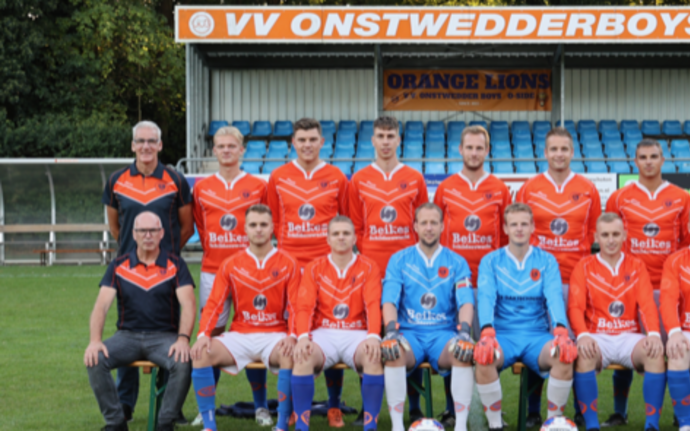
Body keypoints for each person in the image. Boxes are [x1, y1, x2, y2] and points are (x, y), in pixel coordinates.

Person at [102, 120, 194, 422]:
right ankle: (125, 404)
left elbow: (186, 226)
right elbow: (116, 227)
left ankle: (171, 406)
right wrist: (134, 253)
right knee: (127, 331)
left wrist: (166, 257)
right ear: (132, 145)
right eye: (140, 141)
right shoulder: (116, 180)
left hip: (167, 274)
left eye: (151, 141)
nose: (145, 146)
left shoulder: (176, 179)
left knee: (171, 335)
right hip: (128, 273)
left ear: (160, 145)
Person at [266, 117, 350, 426]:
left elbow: (346, 221)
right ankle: (290, 410)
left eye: (313, 139)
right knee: (294, 335)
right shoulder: (278, 176)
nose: (307, 145)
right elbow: (274, 221)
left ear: (322, 142)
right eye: (301, 140)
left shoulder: (337, 177)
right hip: (291, 270)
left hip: (327, 270)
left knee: (328, 332)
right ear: (293, 143)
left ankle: (333, 405)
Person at [516, 127, 601, 427]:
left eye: (564, 149)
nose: (559, 154)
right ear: (545, 152)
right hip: (537, 282)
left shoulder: (588, 189)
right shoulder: (529, 188)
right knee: (539, 341)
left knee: (574, 344)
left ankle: (579, 409)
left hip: (577, 281)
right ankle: (533, 410)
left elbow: (594, 236)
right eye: (554, 149)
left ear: (572, 152)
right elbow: (520, 233)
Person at [348, 115, 429, 424]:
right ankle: (368, 408)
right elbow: (355, 226)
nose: (385, 141)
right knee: (372, 336)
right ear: (372, 140)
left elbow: (422, 224)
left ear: (398, 139)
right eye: (380, 136)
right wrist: (367, 261)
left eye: (390, 136)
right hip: (371, 273)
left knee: (408, 334)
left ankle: (415, 406)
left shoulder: (414, 177)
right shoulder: (359, 179)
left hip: (409, 273)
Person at [190, 204, 299, 431]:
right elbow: (214, 303)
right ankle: (209, 425)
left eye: (263, 224)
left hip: (275, 335)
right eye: (253, 225)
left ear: (272, 227)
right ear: (245, 229)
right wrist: (203, 335)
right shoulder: (230, 263)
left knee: (289, 354)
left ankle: (281, 425)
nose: (258, 229)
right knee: (201, 353)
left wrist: (293, 335)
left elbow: (298, 306)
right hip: (240, 334)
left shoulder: (289, 262)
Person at [84, 212, 195, 431]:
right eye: (142, 231)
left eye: (153, 230)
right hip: (127, 336)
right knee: (95, 359)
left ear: (161, 233)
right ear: (133, 234)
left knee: (183, 361)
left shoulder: (176, 265)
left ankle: (165, 423)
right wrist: (95, 341)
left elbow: (189, 304)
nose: (148, 235)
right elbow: (101, 305)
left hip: (164, 337)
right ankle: (116, 422)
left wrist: (183, 339)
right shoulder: (119, 265)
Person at [605, 138, 690, 426]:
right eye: (643, 157)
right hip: (630, 288)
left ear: (663, 160)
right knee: (626, 347)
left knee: (676, 349)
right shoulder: (619, 197)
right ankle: (620, 411)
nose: (649, 161)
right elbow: (610, 239)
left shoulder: (682, 197)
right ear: (635, 161)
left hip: (672, 289)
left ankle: (681, 414)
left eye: (654, 156)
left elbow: (685, 243)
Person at [191, 125, 270, 426]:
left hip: (251, 273)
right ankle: (206, 409)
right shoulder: (202, 187)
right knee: (210, 336)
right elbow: (202, 227)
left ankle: (261, 407)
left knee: (255, 331)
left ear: (242, 150)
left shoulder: (258, 185)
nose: (226, 150)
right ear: (213, 150)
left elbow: (265, 226)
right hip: (213, 271)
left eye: (231, 146)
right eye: (221, 146)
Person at [433, 124, 511, 427]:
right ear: (460, 150)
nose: (474, 153)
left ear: (487, 151)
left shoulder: (500, 188)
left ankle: (493, 410)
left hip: (489, 284)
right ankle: (453, 409)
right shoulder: (446, 187)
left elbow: (506, 238)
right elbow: (436, 234)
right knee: (457, 343)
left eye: (480, 148)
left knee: (490, 347)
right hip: (453, 284)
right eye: (470, 147)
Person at [474, 203, 576, 431]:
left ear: (532, 227)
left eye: (524, 224)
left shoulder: (546, 260)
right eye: (514, 224)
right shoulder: (490, 261)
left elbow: (554, 296)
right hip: (503, 335)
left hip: (536, 336)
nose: (519, 229)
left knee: (564, 355)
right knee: (484, 356)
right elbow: (486, 297)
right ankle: (495, 425)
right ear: (505, 228)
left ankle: (553, 424)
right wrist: (487, 331)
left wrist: (560, 329)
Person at [382, 203, 476, 431]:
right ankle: (397, 427)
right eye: (423, 222)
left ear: (443, 226)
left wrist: (465, 332)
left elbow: (466, 301)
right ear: (415, 226)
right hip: (409, 334)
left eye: (434, 222)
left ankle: (461, 426)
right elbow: (389, 301)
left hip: (442, 334)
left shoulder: (457, 262)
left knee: (462, 352)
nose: (429, 228)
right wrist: (391, 332)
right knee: (393, 352)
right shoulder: (398, 260)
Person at [569, 212, 665, 431]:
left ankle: (652, 425)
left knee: (655, 354)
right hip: (597, 336)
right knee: (583, 355)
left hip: (629, 336)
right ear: (596, 237)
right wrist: (582, 336)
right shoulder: (584, 266)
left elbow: (647, 304)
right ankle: (592, 425)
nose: (610, 240)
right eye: (605, 235)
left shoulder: (637, 265)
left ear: (624, 235)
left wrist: (653, 334)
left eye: (615, 234)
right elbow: (575, 307)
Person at [291, 216, 385, 431]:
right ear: (328, 239)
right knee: (303, 356)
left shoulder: (369, 266)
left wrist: (373, 336)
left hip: (357, 332)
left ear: (354, 238)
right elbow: (304, 307)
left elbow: (373, 304)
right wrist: (303, 337)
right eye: (336, 233)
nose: (341, 237)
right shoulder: (314, 267)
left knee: (373, 356)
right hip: (324, 332)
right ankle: (301, 427)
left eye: (346, 233)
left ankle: (370, 426)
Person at [661, 218, 690, 431]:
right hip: (686, 330)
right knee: (677, 351)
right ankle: (685, 423)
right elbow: (668, 300)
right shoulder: (675, 261)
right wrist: (674, 332)